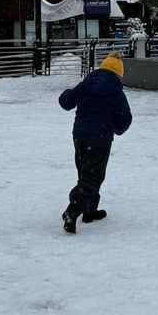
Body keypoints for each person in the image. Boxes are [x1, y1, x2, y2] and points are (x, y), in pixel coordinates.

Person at [58, 52, 132, 233]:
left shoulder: (86, 83)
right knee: (93, 175)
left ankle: (89, 210)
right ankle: (73, 209)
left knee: (86, 171)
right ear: (119, 73)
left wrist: (69, 93)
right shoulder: (115, 89)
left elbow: (66, 101)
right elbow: (125, 119)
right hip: (100, 137)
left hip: (80, 134)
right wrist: (116, 129)